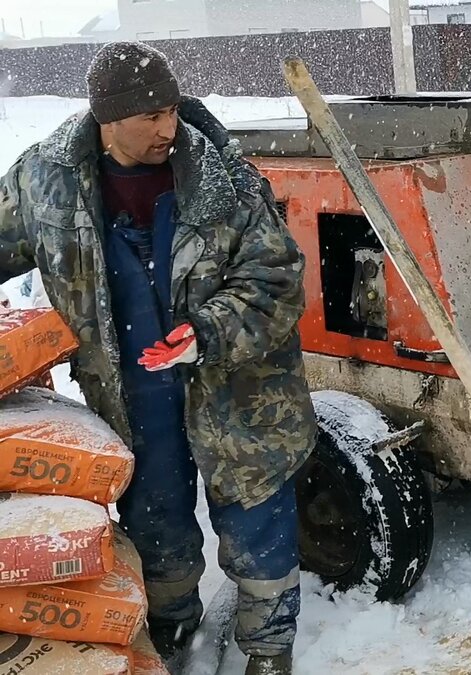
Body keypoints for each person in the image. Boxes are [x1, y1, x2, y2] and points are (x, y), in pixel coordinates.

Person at [0, 42, 316, 675]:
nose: (168, 129)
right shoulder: (46, 181)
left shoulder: (224, 178)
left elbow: (277, 278)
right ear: (107, 119)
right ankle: (173, 626)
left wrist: (209, 329)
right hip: (130, 389)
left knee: (257, 518)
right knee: (156, 516)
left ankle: (269, 646)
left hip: (240, 384)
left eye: (173, 111)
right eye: (151, 116)